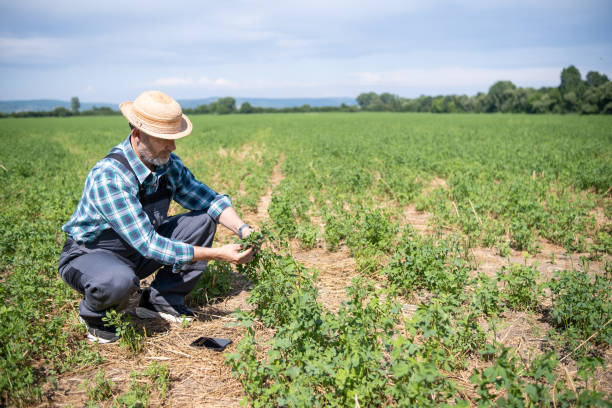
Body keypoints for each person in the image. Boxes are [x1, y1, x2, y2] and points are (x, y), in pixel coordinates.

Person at [58, 90, 255, 343]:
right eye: (164, 138)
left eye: (174, 138)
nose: (172, 146)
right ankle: (96, 318)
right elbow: (150, 245)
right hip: (92, 254)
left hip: (137, 250)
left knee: (203, 219)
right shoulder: (111, 176)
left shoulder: (167, 164)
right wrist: (219, 254)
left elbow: (210, 200)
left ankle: (160, 300)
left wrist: (243, 229)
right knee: (117, 280)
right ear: (138, 135)